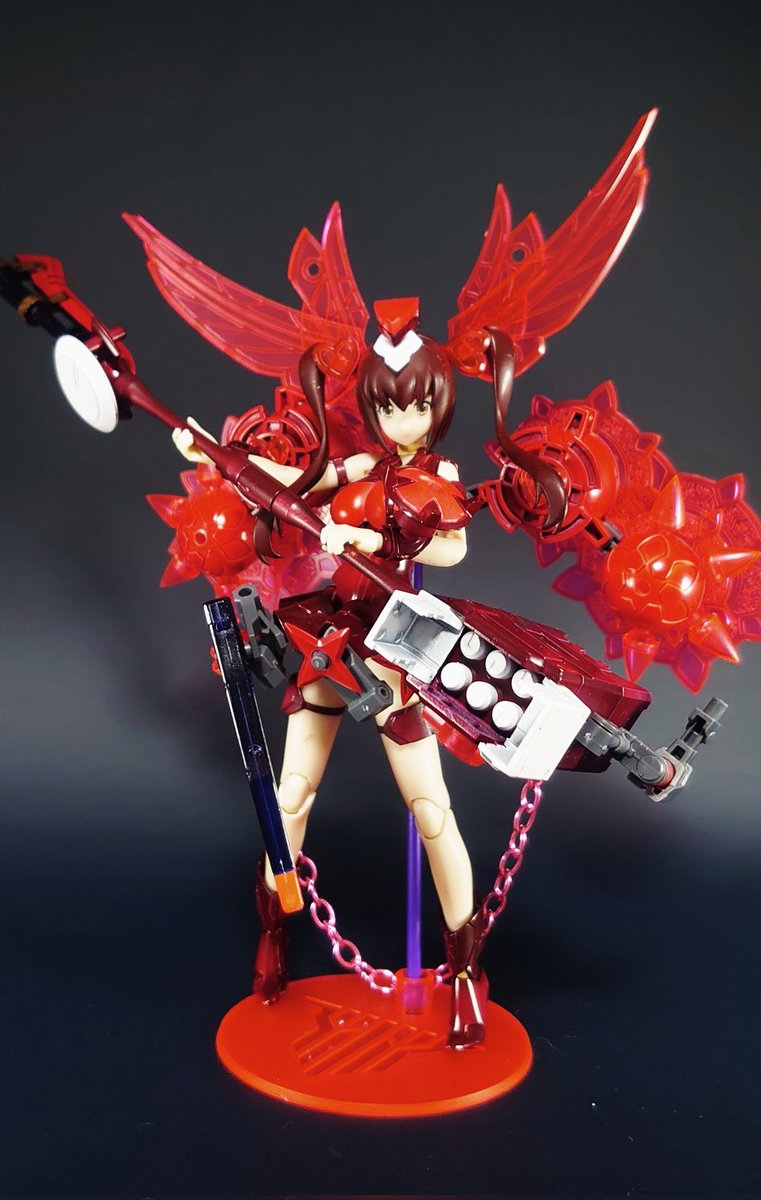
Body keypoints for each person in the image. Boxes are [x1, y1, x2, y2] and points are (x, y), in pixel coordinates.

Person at [174, 303, 565, 1048]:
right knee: (291, 796)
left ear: (438, 406)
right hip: (331, 636)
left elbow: (450, 550)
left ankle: (463, 971)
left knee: (431, 809)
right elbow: (294, 480)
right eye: (389, 407)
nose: (401, 421)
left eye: (415, 406)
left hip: (394, 650)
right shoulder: (360, 466)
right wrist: (211, 453)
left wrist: (373, 536)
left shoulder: (440, 477)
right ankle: (275, 934)